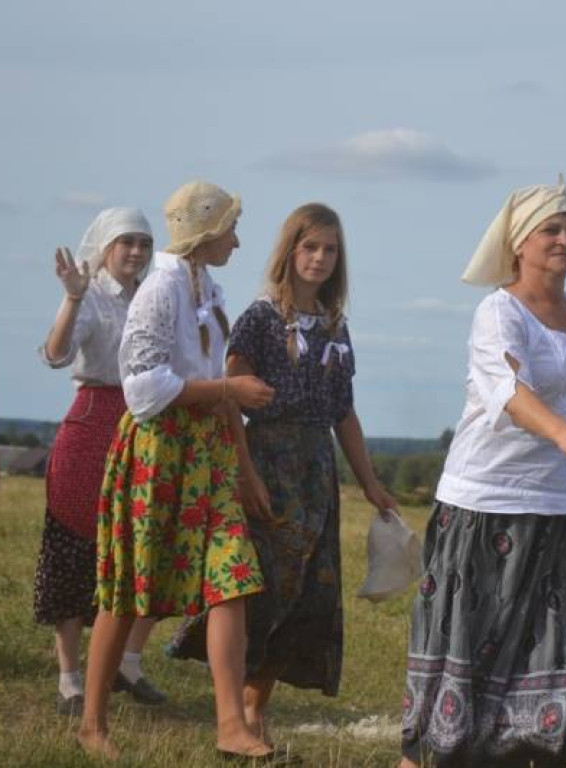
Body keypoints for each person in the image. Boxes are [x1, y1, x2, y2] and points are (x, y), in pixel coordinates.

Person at [399, 179, 566, 768]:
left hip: (561, 511)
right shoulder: (498, 311)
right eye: (551, 230)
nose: (564, 239)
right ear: (520, 242)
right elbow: (507, 389)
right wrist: (565, 433)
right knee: (468, 667)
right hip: (486, 507)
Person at [168, 202, 398, 749]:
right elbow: (228, 399)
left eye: (330, 250)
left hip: (317, 471)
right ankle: (234, 711)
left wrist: (368, 482)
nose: (319, 258)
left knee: (305, 596)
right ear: (291, 250)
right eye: (310, 247)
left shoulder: (338, 327)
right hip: (267, 459)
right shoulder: (260, 318)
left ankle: (256, 707)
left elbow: (344, 411)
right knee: (262, 588)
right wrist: (245, 473)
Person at [77, 181, 274, 761]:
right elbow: (141, 389)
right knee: (128, 591)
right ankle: (91, 722)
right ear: (207, 233)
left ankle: (230, 725)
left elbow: (216, 391)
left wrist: (242, 465)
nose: (237, 241)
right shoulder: (161, 288)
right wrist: (227, 388)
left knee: (232, 579)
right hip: (158, 452)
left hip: (206, 452)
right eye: (231, 229)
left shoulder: (204, 286)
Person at [34, 208, 167, 717]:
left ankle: (127, 662)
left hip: (142, 423)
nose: (136, 252)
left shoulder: (154, 298)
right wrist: (71, 297)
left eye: (144, 243)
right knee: (74, 545)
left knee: (146, 548)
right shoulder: (89, 293)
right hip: (92, 421)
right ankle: (70, 677)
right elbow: (55, 353)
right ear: (107, 246)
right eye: (126, 242)